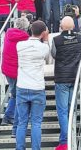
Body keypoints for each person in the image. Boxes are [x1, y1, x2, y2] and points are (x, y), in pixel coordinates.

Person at [15, 20, 49, 150]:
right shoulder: (44, 47)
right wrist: (45, 39)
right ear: (43, 33)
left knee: (22, 123)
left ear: (31, 30)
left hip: (22, 86)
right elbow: (47, 55)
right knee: (36, 123)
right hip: (37, 88)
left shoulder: (19, 45)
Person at [51, 16, 81, 150]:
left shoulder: (56, 39)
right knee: (70, 110)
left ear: (61, 27)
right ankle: (67, 139)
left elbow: (53, 54)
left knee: (62, 111)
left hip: (62, 79)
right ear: (73, 26)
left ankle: (65, 141)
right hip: (75, 78)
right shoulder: (80, 38)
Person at [1, 17, 30, 130]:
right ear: (26, 28)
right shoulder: (25, 38)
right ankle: (12, 121)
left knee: (14, 94)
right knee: (19, 96)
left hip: (7, 69)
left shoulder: (8, 33)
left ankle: (7, 117)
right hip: (17, 71)